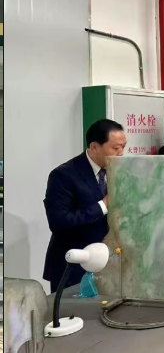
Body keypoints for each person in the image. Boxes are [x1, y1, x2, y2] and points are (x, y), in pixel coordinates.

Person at [43, 119, 127, 292]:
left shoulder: (121, 171)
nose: (121, 154)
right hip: (74, 268)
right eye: (115, 148)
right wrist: (103, 205)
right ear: (94, 147)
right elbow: (59, 222)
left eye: (123, 147)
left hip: (112, 265)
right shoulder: (63, 175)